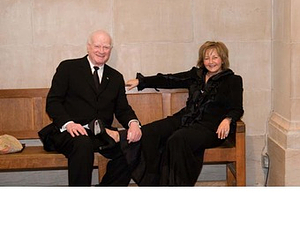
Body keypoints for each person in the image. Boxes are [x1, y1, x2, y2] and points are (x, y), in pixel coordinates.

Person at [125, 41, 244, 186]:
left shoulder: (233, 80)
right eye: (207, 58)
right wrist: (141, 81)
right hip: (185, 119)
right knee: (149, 132)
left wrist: (227, 119)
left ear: (223, 59)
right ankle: (154, 183)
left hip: (210, 128)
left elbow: (237, 108)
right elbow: (169, 79)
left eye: (215, 57)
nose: (211, 62)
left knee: (177, 139)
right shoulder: (196, 75)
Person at [41, 30, 142, 186]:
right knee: (83, 143)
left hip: (99, 134)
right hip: (69, 132)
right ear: (88, 47)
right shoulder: (68, 68)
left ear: (110, 50)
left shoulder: (115, 77)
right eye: (97, 46)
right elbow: (53, 102)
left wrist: (133, 123)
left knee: (131, 145)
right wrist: (69, 123)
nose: (101, 51)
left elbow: (122, 109)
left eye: (106, 47)